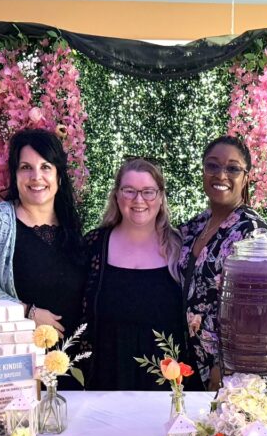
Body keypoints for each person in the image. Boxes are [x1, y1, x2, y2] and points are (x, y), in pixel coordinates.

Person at [0, 128, 85, 339]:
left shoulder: (72, 228)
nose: (36, 177)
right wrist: (26, 312)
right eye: (26, 167)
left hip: (74, 355)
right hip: (15, 353)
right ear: (14, 175)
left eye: (45, 167)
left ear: (59, 176)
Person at [81, 158, 201, 391]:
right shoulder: (93, 245)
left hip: (167, 385)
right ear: (117, 195)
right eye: (129, 191)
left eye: (148, 192)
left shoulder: (182, 248)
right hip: (106, 381)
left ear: (161, 197)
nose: (138, 200)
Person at [179, 135, 267, 390]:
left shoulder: (251, 232)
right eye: (212, 165)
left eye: (232, 168)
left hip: (225, 370)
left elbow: (259, 313)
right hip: (187, 360)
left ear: (246, 178)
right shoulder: (197, 225)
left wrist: (226, 367)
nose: (221, 175)